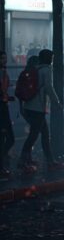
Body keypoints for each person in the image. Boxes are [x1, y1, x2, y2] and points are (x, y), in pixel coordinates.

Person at [20, 49, 64, 172]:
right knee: (34, 136)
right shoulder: (47, 69)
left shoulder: (35, 68)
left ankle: (50, 161)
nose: (52, 60)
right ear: (49, 59)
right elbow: (49, 87)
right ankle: (22, 161)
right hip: (38, 108)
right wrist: (57, 102)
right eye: (52, 58)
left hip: (29, 106)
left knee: (44, 134)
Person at [0, 51, 14, 179]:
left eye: (5, 58)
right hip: (2, 108)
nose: (4, 60)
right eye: (2, 58)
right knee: (8, 137)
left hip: (4, 105)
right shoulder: (2, 72)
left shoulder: (4, 72)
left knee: (7, 137)